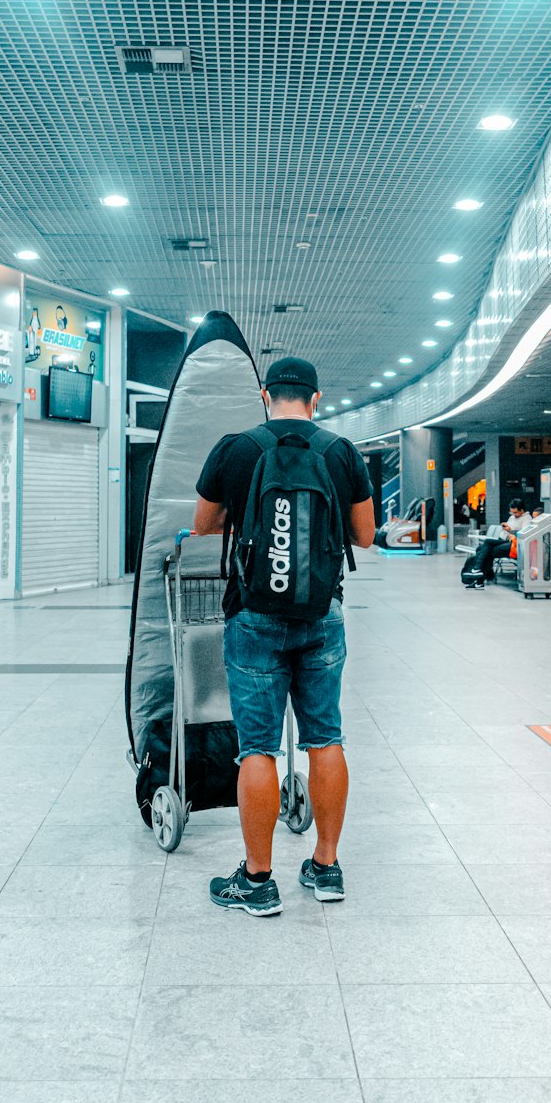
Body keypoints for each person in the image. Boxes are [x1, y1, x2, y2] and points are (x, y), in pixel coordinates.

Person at [192, 356, 375, 916]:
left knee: (258, 747)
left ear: (265, 394)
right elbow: (364, 536)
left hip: (252, 615)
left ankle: (258, 879)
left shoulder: (236, 448)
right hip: (323, 614)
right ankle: (325, 866)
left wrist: (246, 519)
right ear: (316, 399)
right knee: (325, 738)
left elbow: (203, 524)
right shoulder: (340, 451)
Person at [471, 497, 528, 581]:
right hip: (503, 539)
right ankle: (482, 573)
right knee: (481, 549)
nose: (513, 515)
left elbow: (524, 533)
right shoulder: (512, 517)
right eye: (511, 512)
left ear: (522, 510)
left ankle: (479, 572)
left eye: (515, 512)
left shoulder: (526, 519)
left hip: (512, 543)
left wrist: (510, 530)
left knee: (487, 549)